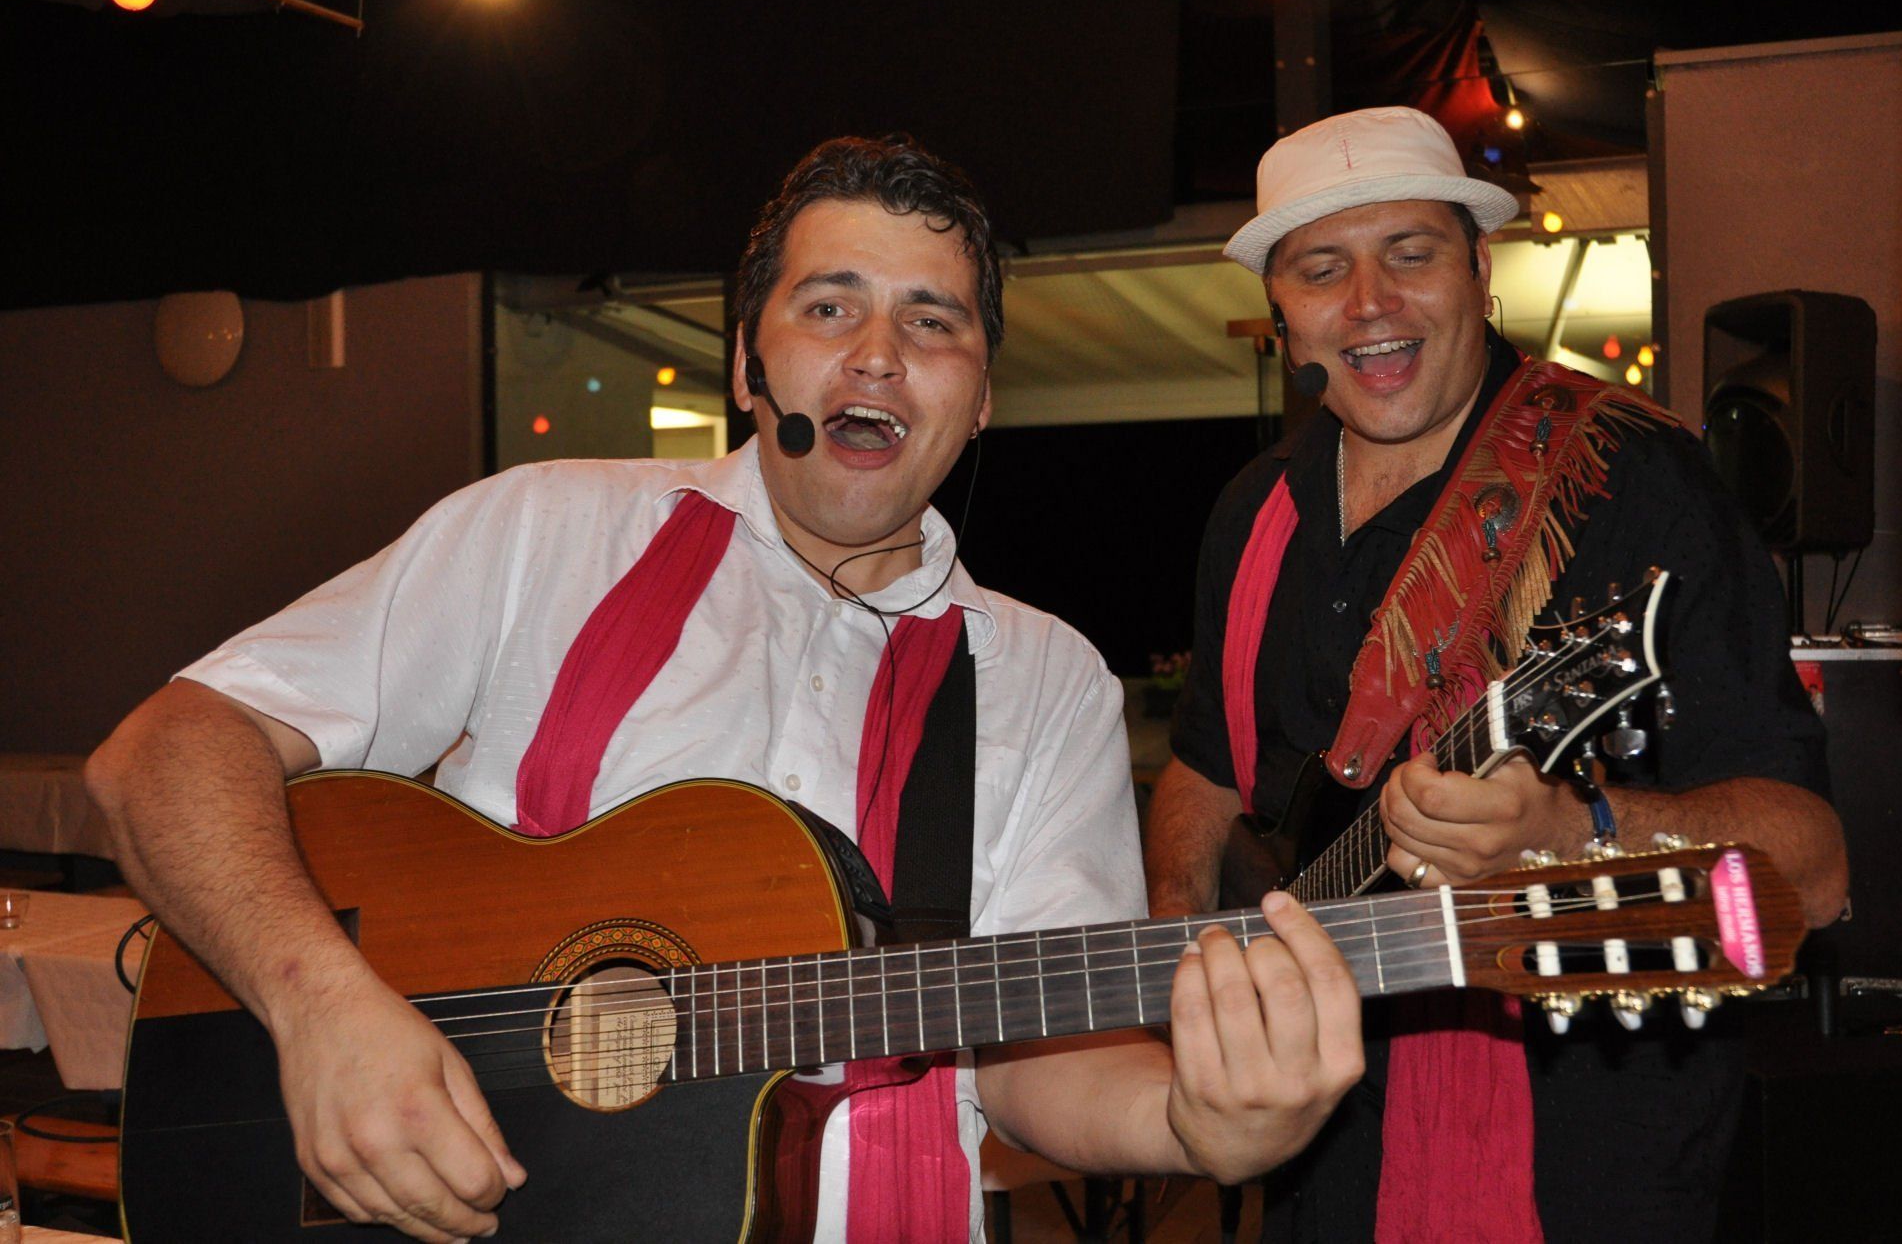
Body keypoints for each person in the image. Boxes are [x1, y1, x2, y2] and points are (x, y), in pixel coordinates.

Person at [86, 136, 1363, 1243]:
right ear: (749, 365)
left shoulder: (1044, 680)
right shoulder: (543, 533)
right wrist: (323, 1007)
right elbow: (163, 750)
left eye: (932, 321)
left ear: (980, 399)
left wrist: (1204, 1123)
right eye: (830, 306)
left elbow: (1035, 1064)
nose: (878, 357)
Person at [1144, 107, 1849, 1243]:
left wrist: (1573, 830)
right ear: (1280, 308)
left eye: (1410, 253)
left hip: (1589, 1175)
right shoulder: (1255, 509)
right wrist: (1186, 957)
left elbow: (1810, 869)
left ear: (1480, 267)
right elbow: (1205, 771)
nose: (1369, 301)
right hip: (1312, 1167)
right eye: (1322, 269)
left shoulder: (1639, 482)